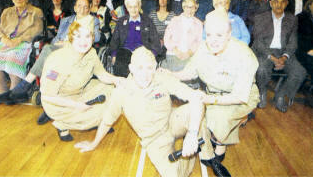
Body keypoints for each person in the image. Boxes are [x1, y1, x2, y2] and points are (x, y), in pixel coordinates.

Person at [75, 46, 230, 177]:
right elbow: (107, 121)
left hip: (171, 121)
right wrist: (93, 143)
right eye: (139, 68)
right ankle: (193, 149)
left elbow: (196, 98)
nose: (145, 74)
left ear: (155, 67)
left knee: (195, 112)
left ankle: (209, 156)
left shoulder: (161, 77)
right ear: (131, 69)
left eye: (149, 68)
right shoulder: (121, 91)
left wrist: (191, 133)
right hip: (154, 140)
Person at [165, 8, 259, 167]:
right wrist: (170, 74)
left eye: (219, 35)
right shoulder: (203, 48)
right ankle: (220, 134)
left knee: (216, 122)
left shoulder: (245, 55)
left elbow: (240, 96)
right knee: (201, 120)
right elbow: (189, 72)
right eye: (209, 35)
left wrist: (208, 99)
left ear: (229, 35)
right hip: (213, 94)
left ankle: (221, 140)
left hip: (241, 97)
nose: (213, 40)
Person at [1, 0, 100, 106]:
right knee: (48, 50)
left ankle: (26, 84)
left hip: (79, 50)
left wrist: (68, 43)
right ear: (75, 8)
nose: (82, 9)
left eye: (86, 7)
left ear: (89, 9)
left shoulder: (92, 20)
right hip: (60, 49)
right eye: (80, 6)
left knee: (48, 49)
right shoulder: (65, 20)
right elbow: (56, 39)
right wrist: (58, 44)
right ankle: (44, 91)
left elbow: (97, 37)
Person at [40, 16, 124, 141]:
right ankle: (62, 124)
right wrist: (75, 105)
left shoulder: (91, 53)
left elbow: (102, 75)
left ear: (93, 37)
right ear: (71, 37)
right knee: (99, 112)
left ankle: (93, 121)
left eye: (88, 36)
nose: (83, 41)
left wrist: (118, 80)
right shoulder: (57, 60)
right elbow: (47, 96)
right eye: (78, 36)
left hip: (79, 93)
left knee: (112, 90)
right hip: (58, 103)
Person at [252, 0, 306, 112]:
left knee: (300, 72)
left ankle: (281, 95)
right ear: (270, 3)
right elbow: (258, 42)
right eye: (275, 2)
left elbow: (293, 42)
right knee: (261, 69)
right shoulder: (260, 18)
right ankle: (262, 92)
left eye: (282, 2)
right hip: (264, 52)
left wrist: (284, 57)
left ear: (286, 4)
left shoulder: (292, 19)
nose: (279, 5)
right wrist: (272, 58)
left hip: (284, 53)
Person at [109, 0, 161, 77]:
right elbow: (114, 41)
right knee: (121, 58)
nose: (133, 10)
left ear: (139, 6)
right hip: (125, 53)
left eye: (135, 6)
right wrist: (114, 54)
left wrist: (152, 54)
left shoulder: (147, 21)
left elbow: (156, 42)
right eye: (130, 7)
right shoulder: (121, 21)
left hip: (142, 52)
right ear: (127, 8)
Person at [162, 0, 203, 76]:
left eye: (192, 7)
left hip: (190, 56)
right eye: (188, 7)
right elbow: (166, 38)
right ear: (183, 7)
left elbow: (199, 42)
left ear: (196, 8)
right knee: (174, 77)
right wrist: (176, 50)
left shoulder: (199, 23)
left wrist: (189, 53)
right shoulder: (174, 20)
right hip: (173, 54)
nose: (190, 10)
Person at [296, 0, 313, 107]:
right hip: (304, 52)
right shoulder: (301, 18)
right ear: (309, 6)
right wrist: (310, 51)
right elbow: (298, 39)